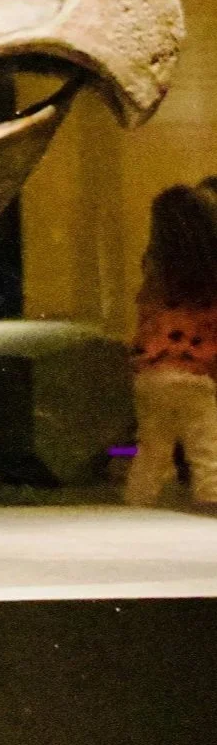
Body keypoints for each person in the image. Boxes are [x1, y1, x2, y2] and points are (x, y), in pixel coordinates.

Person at [127, 184, 217, 507]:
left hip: (152, 373)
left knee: (151, 449)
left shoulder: (156, 271)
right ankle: (211, 502)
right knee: (206, 446)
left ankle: (138, 502)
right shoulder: (208, 274)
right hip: (195, 374)